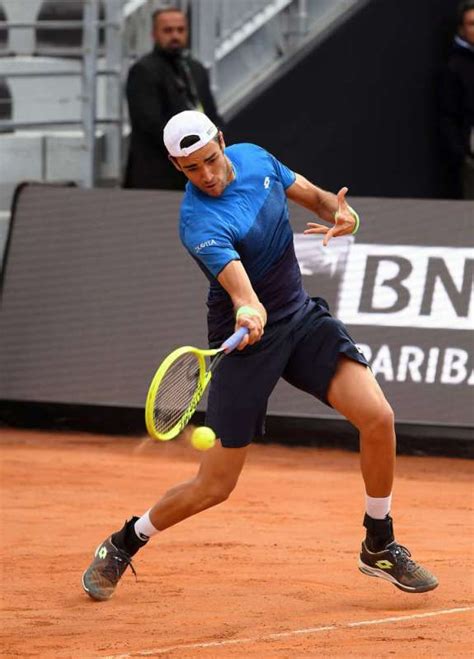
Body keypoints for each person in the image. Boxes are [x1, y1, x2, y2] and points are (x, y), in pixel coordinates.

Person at [82, 110, 438, 601]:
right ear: (175, 165)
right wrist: (248, 310)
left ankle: (378, 541)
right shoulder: (199, 222)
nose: (204, 175)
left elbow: (313, 197)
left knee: (378, 417)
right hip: (247, 337)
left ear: (222, 143)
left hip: (301, 316)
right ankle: (126, 541)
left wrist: (344, 215)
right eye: (190, 169)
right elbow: (240, 288)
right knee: (215, 487)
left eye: (209, 160)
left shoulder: (254, 158)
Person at [123, 7, 224, 190]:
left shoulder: (196, 69)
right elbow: (149, 124)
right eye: (168, 30)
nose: (175, 36)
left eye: (180, 30)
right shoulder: (143, 70)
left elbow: (211, 115)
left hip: (199, 174)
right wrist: (192, 150)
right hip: (156, 176)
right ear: (154, 34)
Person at [439, 0, 474, 199]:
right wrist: (462, 156)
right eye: (471, 24)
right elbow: (448, 116)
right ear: (461, 29)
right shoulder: (454, 67)